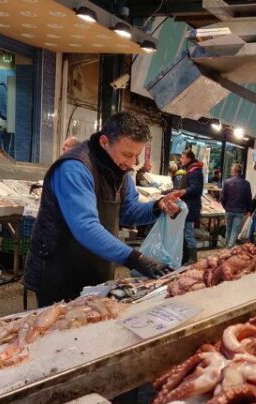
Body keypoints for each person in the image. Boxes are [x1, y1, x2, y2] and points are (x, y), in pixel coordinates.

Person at [25, 112, 181, 307]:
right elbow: (86, 227)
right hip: (59, 271)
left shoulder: (120, 171)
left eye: (136, 156)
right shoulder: (75, 168)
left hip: (96, 269)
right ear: (105, 141)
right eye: (127, 154)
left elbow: (129, 212)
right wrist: (135, 258)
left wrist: (157, 206)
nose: (131, 163)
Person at [175, 148, 204, 264]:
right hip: (185, 206)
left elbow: (196, 189)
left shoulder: (195, 171)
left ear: (189, 158)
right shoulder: (188, 170)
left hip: (190, 208)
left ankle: (192, 259)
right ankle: (185, 257)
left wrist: (182, 192)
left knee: (188, 232)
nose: (180, 159)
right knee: (184, 233)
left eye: (182, 157)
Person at [219, 163, 252, 248]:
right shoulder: (246, 183)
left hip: (229, 209)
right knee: (235, 230)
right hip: (240, 210)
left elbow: (222, 197)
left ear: (233, 171)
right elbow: (249, 197)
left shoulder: (227, 182)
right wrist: (248, 209)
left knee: (228, 229)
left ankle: (227, 247)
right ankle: (229, 248)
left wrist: (224, 206)